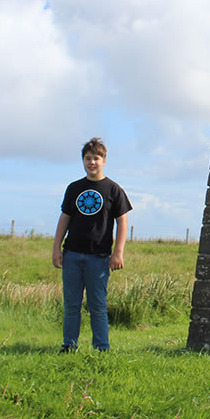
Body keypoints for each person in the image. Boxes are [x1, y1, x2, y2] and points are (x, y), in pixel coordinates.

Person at [51, 137, 132, 352]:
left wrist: (118, 253)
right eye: (88, 158)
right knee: (71, 304)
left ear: (104, 161)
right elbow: (64, 218)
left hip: (99, 257)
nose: (92, 162)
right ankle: (69, 345)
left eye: (96, 158)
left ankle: (101, 347)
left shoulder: (113, 190)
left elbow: (122, 221)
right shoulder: (74, 188)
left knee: (97, 305)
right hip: (72, 255)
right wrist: (56, 248)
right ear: (83, 161)